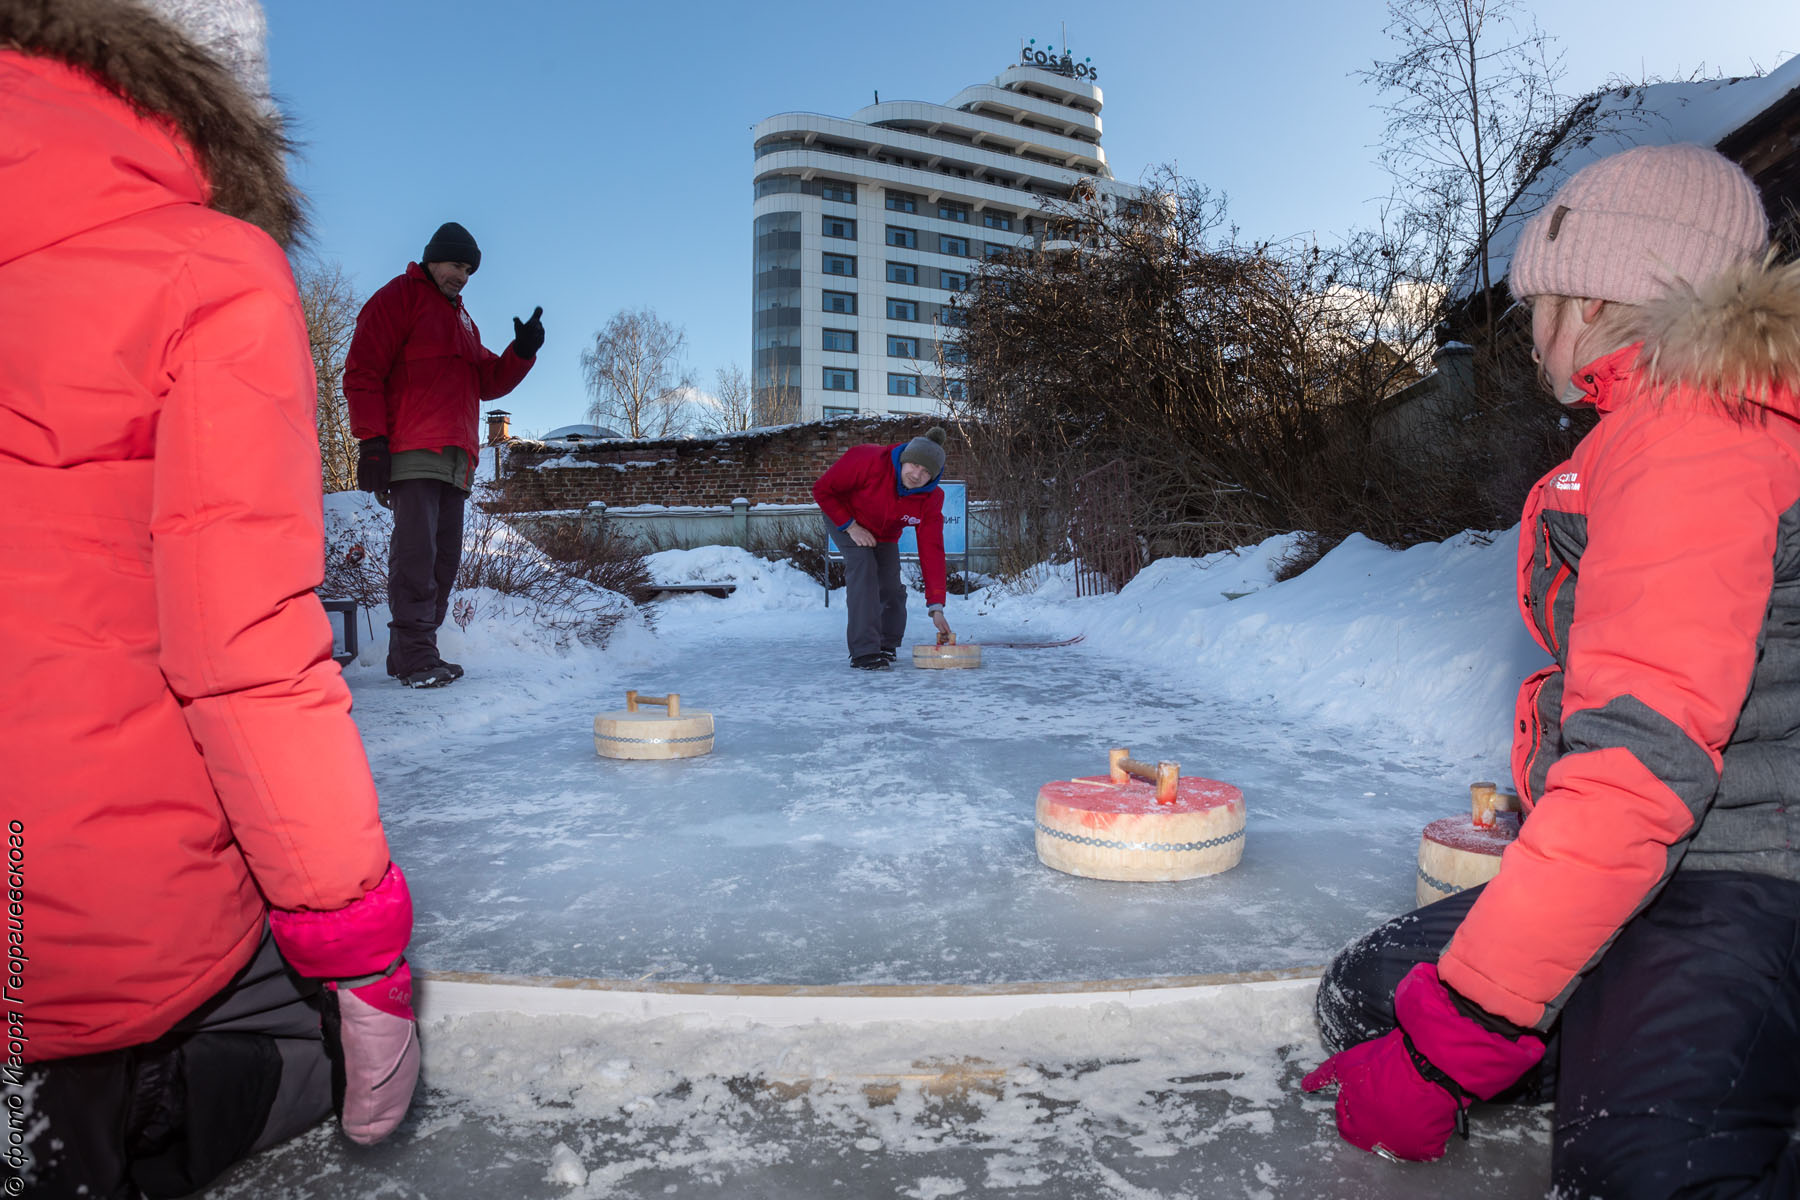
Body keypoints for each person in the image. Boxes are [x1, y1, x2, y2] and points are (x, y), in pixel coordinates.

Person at [1304, 143, 1800, 1196]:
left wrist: (1455, 1050)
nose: (1527, 332)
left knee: (1644, 1171)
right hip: (1673, 858)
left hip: (1752, 866)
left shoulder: (1698, 435)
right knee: (1378, 989)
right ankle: (1634, 1013)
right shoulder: (1656, 427)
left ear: (1596, 297)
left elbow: (1638, 767)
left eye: (1537, 303)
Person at [0, 0, 422, 1195]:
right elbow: (241, 644)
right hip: (87, 941)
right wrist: (362, 946)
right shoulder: (208, 264)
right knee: (299, 1036)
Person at [344, 222, 544, 687]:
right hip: (413, 449)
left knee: (443, 560)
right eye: (457, 265)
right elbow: (363, 370)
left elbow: (487, 380)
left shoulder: (462, 319)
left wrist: (521, 351)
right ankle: (415, 657)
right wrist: (371, 440)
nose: (463, 276)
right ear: (434, 259)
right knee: (416, 556)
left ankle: (412, 653)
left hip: (456, 458)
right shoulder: (398, 298)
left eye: (469, 270)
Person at [813, 427, 955, 669]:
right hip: (844, 516)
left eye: (925, 471)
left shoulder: (931, 499)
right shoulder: (868, 460)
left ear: (934, 477)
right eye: (913, 465)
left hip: (885, 532)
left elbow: (932, 549)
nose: (916, 474)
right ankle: (864, 651)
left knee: (890, 584)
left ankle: (887, 644)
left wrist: (936, 606)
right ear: (904, 459)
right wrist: (850, 526)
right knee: (863, 565)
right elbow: (822, 490)